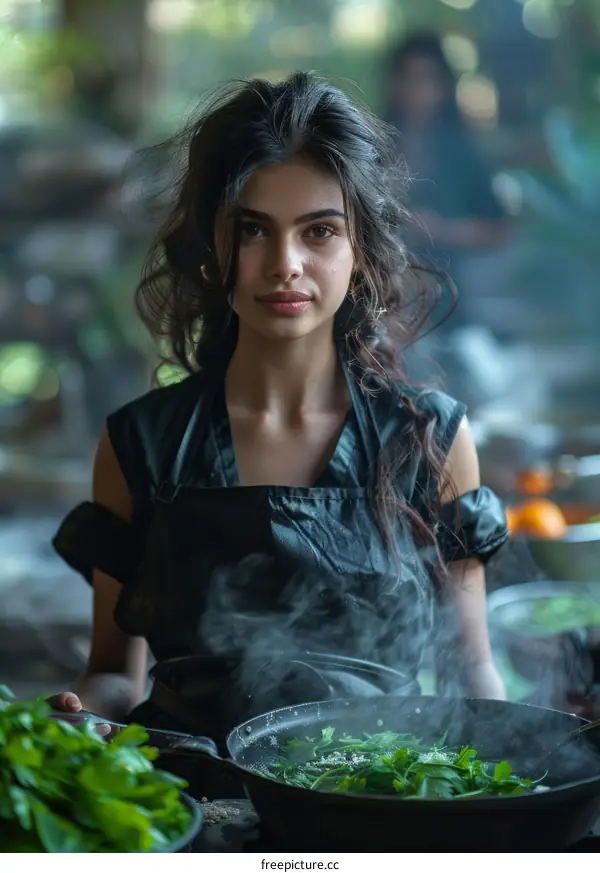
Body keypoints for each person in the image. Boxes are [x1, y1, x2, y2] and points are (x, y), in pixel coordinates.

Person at [48, 72, 509, 793]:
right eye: (253, 228)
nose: (284, 264)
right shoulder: (142, 443)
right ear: (211, 244)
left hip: (380, 807)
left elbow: (471, 671)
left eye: (319, 230)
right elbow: (114, 671)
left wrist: (516, 787)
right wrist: (81, 719)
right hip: (188, 809)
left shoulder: (430, 440)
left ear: (360, 250)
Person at [383, 32, 508, 329]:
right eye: (408, 77)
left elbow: (500, 230)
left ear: (442, 87)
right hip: (384, 302)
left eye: (426, 79)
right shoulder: (373, 146)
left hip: (452, 302)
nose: (416, 90)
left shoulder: (463, 154)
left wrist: (443, 230)